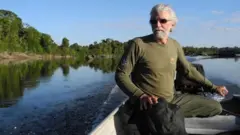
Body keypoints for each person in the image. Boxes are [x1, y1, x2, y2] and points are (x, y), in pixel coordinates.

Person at [115, 3, 229, 118]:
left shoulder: (175, 45)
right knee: (162, 115)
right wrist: (140, 96)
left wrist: (213, 87)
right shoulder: (138, 44)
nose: (157, 25)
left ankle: (170, 115)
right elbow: (121, 74)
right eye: (153, 21)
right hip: (151, 103)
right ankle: (167, 116)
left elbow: (188, 70)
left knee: (215, 107)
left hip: (172, 100)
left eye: (162, 21)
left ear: (172, 25)